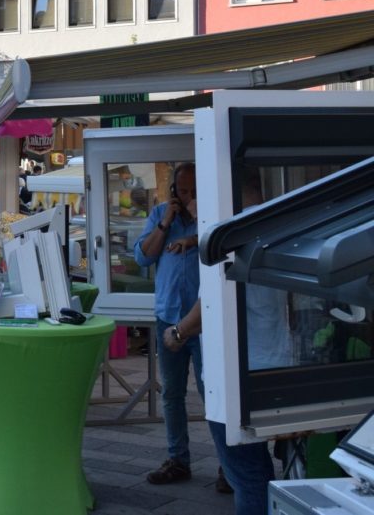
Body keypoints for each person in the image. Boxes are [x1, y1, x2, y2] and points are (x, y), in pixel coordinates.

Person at [162, 169, 290, 513]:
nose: (193, 203)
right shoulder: (276, 227)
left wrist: (176, 333)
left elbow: (210, 305)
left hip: (239, 375)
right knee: (270, 471)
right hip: (279, 361)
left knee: (247, 475)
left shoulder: (228, 236)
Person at [134, 163, 202, 486]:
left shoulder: (210, 212)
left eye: (194, 191)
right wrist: (166, 222)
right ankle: (178, 459)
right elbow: (143, 257)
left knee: (211, 391)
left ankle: (227, 467)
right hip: (169, 317)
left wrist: (194, 236)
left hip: (203, 320)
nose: (189, 198)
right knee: (172, 393)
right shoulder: (161, 213)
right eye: (183, 191)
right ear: (174, 191)